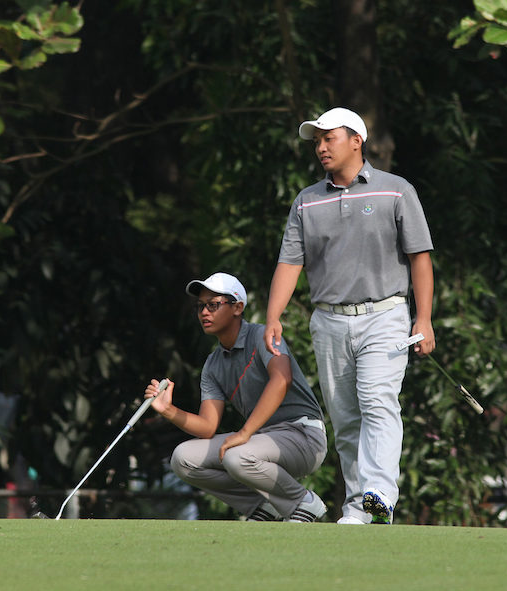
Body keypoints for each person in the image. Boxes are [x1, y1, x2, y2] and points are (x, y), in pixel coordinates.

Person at [264, 107, 435, 525]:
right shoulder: (307, 200)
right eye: (316, 141)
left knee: (378, 400)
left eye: (329, 138)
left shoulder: (396, 191)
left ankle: (378, 491)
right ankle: (362, 508)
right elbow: (290, 263)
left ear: (356, 140)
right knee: (345, 419)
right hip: (329, 321)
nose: (321, 148)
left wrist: (424, 319)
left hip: (387, 316)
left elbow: (420, 258)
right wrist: (273, 316)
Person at [145, 272, 327, 522]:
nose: (204, 313)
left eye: (213, 305)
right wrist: (169, 411)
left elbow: (281, 379)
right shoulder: (213, 364)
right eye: (200, 307)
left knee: (237, 455)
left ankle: (303, 502)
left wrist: (244, 433)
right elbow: (208, 427)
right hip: (261, 440)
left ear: (238, 307)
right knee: (183, 458)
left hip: (303, 436)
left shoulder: (263, 336)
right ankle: (266, 507)